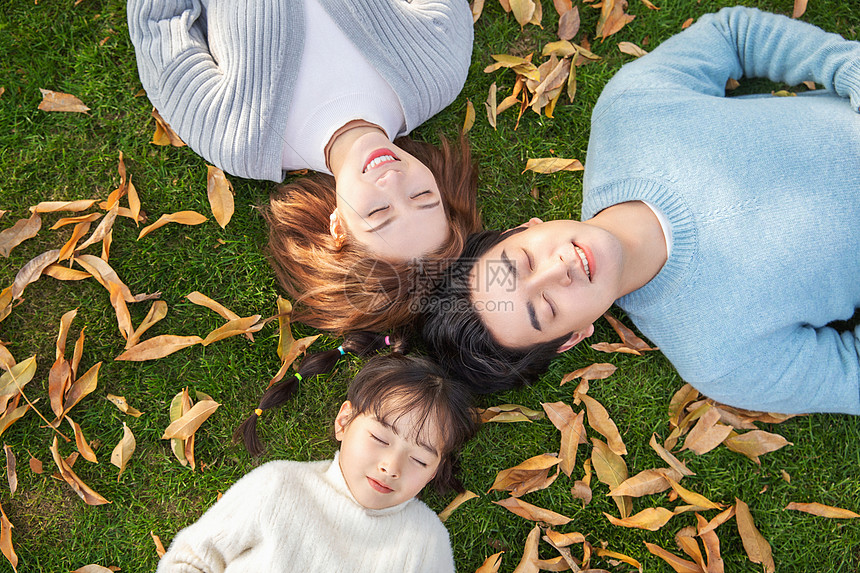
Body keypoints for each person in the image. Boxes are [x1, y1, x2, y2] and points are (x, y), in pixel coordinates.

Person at [421, 6, 860, 415]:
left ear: (525, 227)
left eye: (525, 261)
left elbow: (732, 35)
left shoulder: (630, 113)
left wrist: (849, 69)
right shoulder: (720, 360)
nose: (559, 269)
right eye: (548, 306)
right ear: (572, 338)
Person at [127, 0, 482, 333]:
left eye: (378, 212)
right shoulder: (437, 72)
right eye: (422, 196)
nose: (392, 180)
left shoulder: (238, 139)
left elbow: (159, 27)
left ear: (337, 227)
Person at [157, 351, 478, 572]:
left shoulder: (424, 540)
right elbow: (192, 559)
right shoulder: (279, 485)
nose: (391, 467)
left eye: (419, 460)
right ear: (344, 421)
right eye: (380, 439)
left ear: (436, 469)